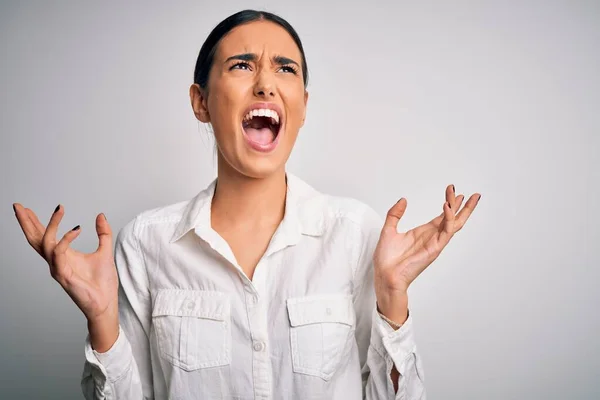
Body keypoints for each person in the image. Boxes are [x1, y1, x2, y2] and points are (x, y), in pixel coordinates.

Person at [13, 9, 480, 400]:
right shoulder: (146, 242)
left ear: (302, 106)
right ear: (201, 102)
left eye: (285, 68)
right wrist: (102, 321)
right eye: (241, 65)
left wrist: (393, 297)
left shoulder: (355, 232)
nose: (265, 85)